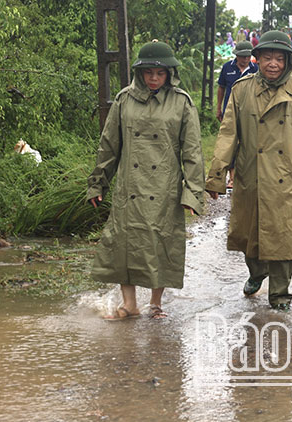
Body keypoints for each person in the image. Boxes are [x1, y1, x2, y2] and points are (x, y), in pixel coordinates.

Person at [87, 41, 205, 321]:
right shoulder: (124, 100)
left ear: (169, 74)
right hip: (130, 185)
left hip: (164, 186)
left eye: (160, 73)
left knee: (159, 242)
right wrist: (98, 182)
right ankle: (129, 303)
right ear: (139, 73)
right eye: (148, 72)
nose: (154, 78)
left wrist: (193, 193)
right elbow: (109, 145)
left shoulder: (181, 102)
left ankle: (155, 303)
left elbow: (192, 152)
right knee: (124, 242)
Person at [205, 31, 292, 311]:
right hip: (250, 175)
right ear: (257, 59)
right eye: (267, 57)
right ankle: (257, 273)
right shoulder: (242, 90)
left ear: (288, 61)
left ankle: (280, 293)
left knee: (284, 238)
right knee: (251, 236)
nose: (272, 64)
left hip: (286, 178)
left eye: (279, 59)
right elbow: (228, 134)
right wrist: (217, 175)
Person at [217, 40, 258, 122]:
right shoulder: (227, 67)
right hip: (229, 108)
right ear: (237, 55)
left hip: (249, 110)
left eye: (248, 56)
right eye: (243, 56)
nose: (246, 59)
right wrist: (218, 108)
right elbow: (221, 87)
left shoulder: (256, 69)